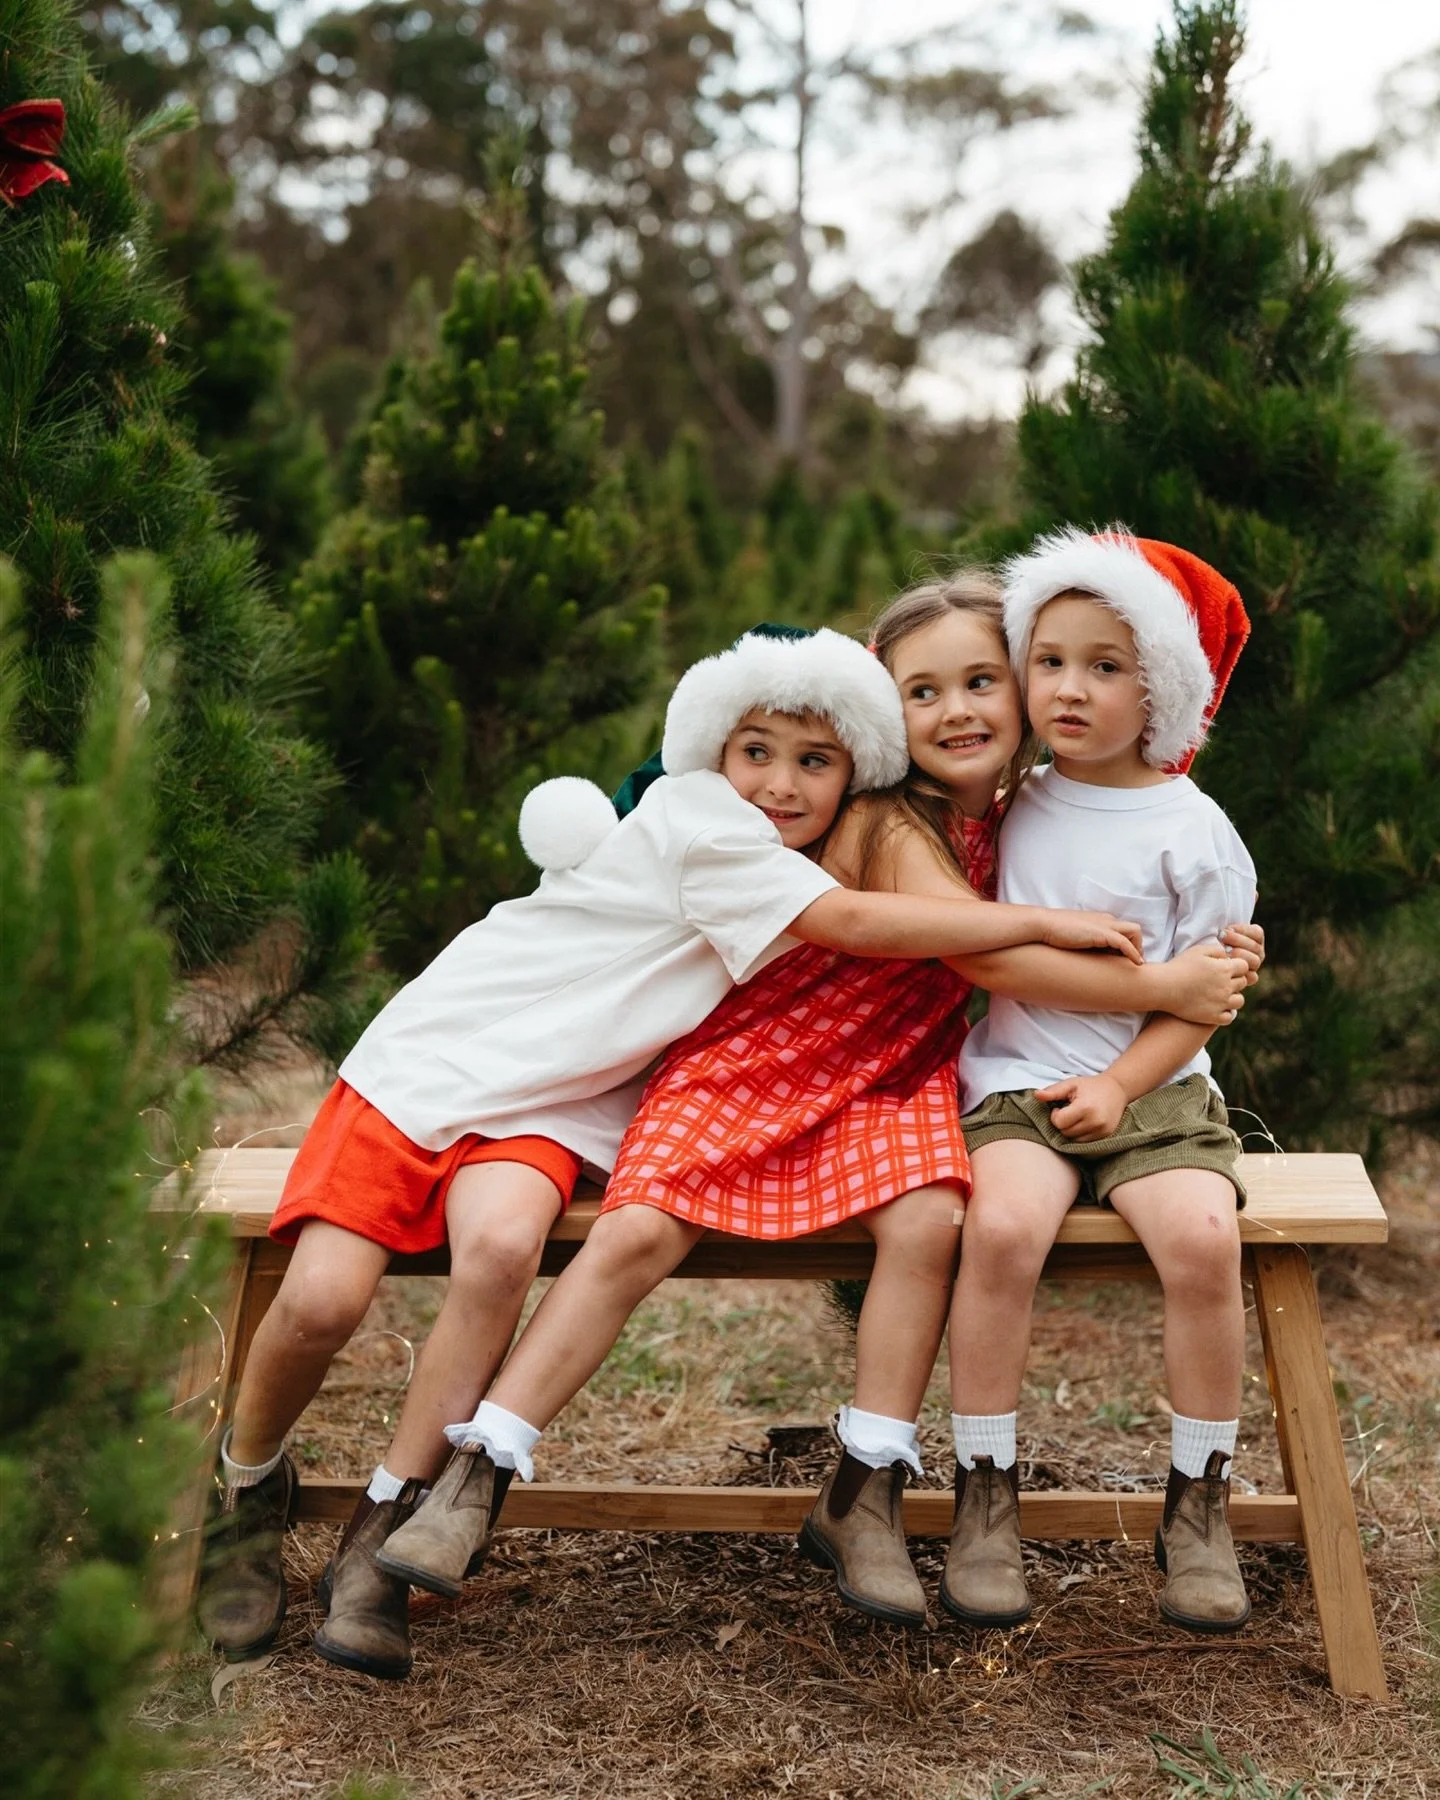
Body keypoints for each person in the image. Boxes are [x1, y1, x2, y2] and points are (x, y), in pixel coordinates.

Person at [198, 624, 1145, 1676]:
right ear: (711, 752)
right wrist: (1058, 927)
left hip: (558, 1108)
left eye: (815, 763)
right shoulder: (705, 822)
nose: (779, 786)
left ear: (854, 777)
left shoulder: (819, 839)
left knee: (504, 1253)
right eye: (757, 753)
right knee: (325, 1299)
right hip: (431, 1067)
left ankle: (383, 1529)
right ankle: (246, 1485)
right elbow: (860, 922)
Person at [374, 572, 1260, 1633]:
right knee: (639, 1229)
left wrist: (1209, 959)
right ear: (886, 713)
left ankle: (866, 1490)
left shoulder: (1028, 810)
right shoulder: (892, 816)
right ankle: (481, 1473)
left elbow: (1130, 844)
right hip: (761, 1055)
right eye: (922, 693)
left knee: (930, 1216)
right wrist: (1159, 983)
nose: (959, 712)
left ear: (1023, 693)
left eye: (983, 682)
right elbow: (979, 953)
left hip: (893, 1072)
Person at [943, 527, 1259, 1636]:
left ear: (1161, 689)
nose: (1069, 688)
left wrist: (1125, 1087)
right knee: (1001, 1232)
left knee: (1203, 1243)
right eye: (1050, 659)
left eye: (1107, 666)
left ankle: (1199, 1501)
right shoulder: (1010, 801)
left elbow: (1206, 994)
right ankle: (984, 1492)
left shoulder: (1193, 829)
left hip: (1159, 1093)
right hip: (1018, 1080)